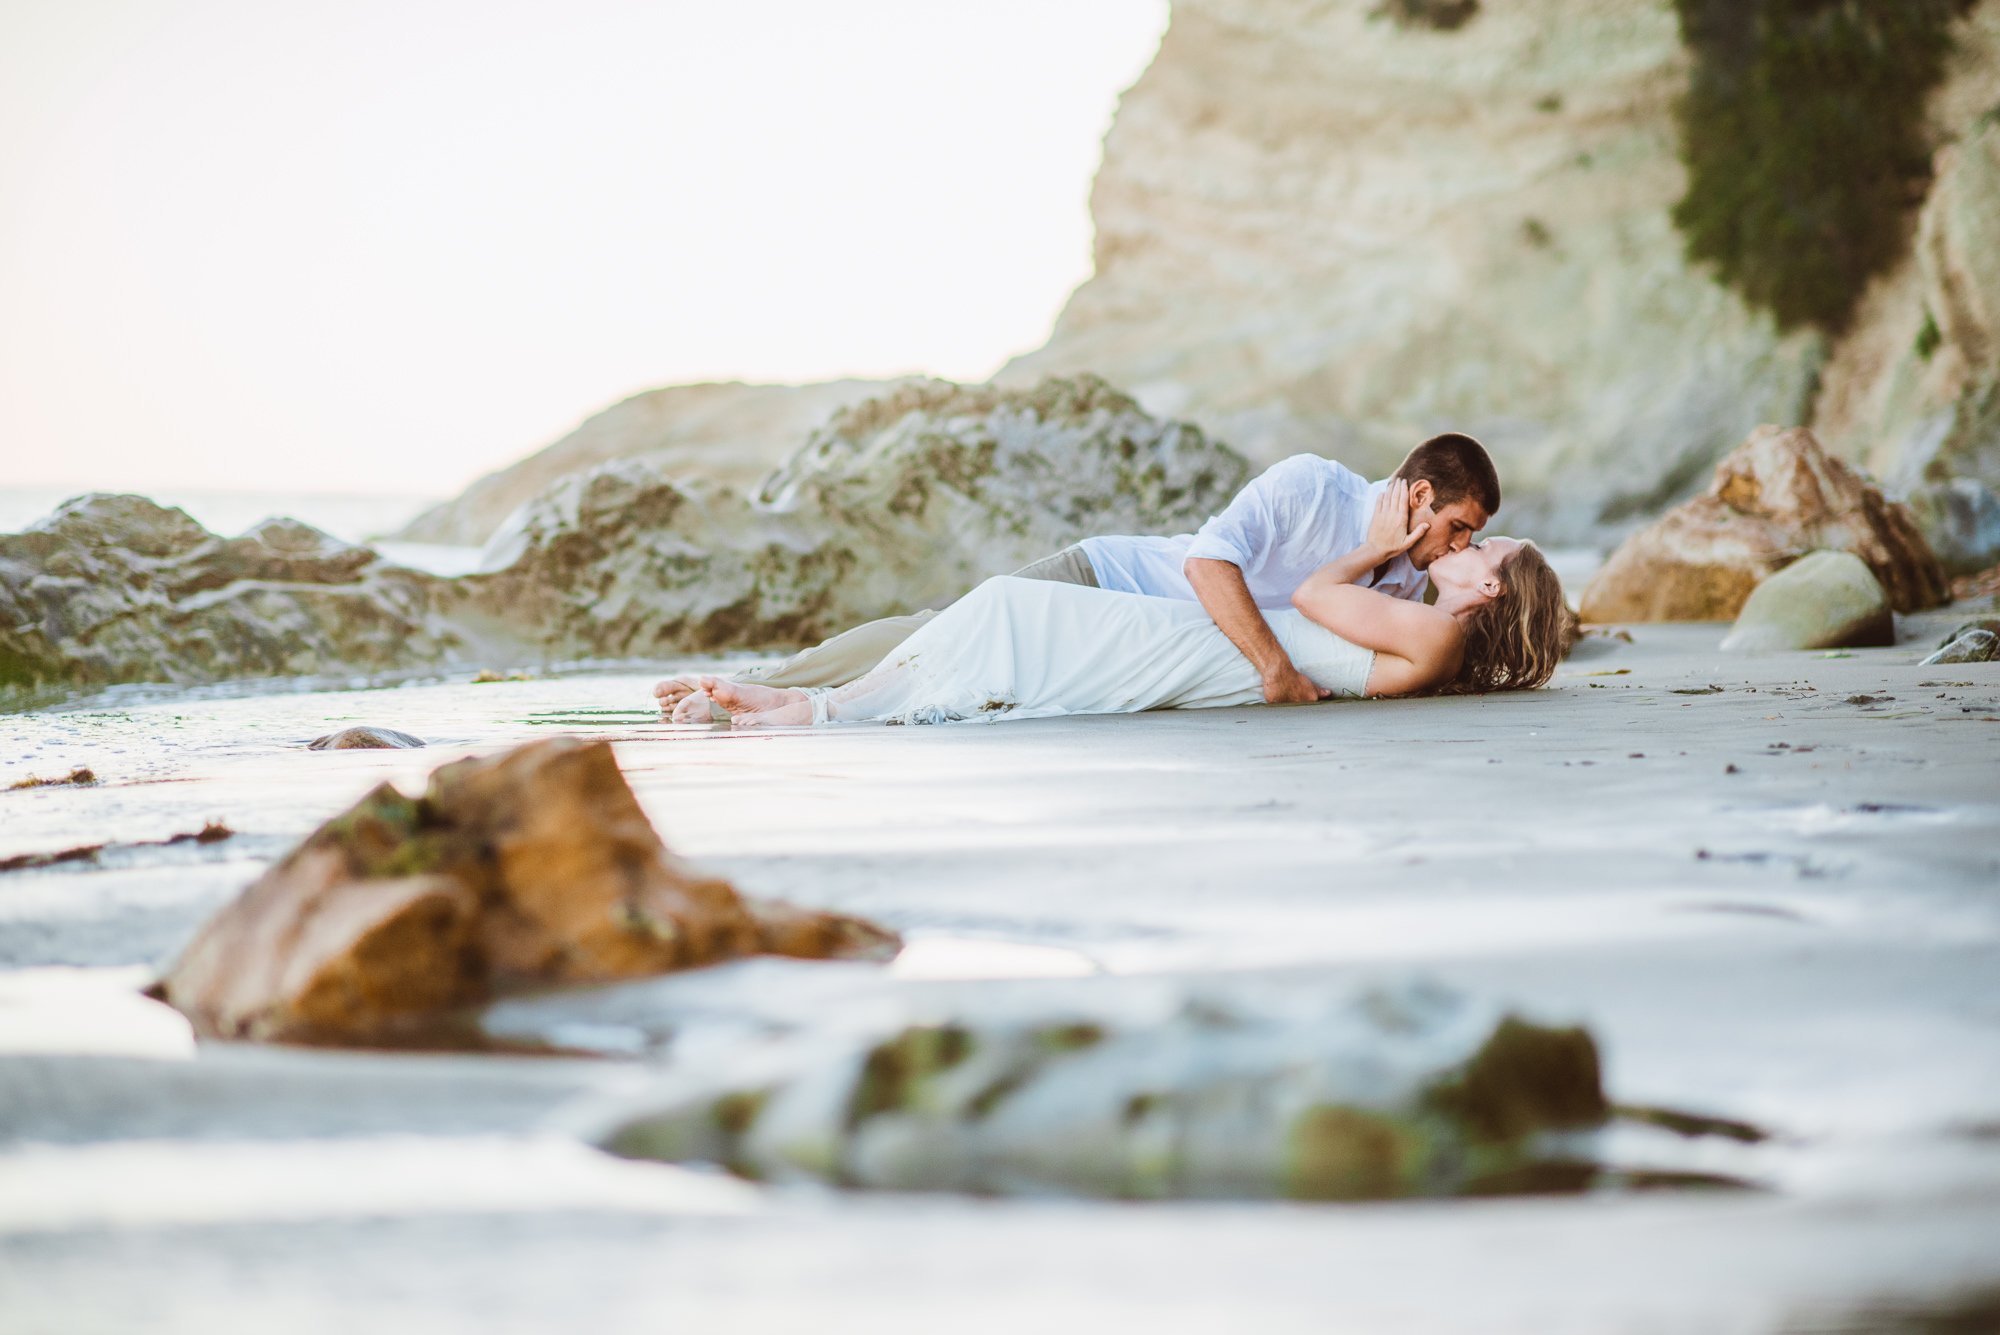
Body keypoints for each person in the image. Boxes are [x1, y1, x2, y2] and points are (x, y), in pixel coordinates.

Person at [653, 432, 1501, 714]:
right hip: (1114, 581)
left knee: (966, 672)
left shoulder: (1404, 583)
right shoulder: (1310, 485)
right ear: (1421, 495)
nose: (1457, 549)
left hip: (1141, 649)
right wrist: (1273, 668)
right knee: (932, 634)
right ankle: (755, 685)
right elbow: (1209, 563)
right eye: (1457, 528)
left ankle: (783, 697)